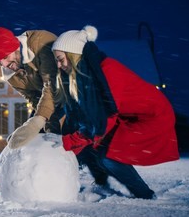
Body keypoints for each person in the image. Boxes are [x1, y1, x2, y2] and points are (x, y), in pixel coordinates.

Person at [50, 25, 179, 199]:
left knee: (110, 156)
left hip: (152, 117)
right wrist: (62, 136)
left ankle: (145, 194)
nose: (58, 65)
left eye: (60, 59)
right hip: (127, 116)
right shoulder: (86, 75)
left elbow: (102, 120)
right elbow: (81, 114)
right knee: (92, 147)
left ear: (74, 55)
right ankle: (102, 184)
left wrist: (69, 142)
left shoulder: (107, 71)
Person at [0, 27, 63, 149]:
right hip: (48, 98)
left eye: (5, 58)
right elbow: (34, 97)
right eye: (0, 62)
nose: (5, 65)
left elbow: (53, 84)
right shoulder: (11, 75)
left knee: (75, 134)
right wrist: (45, 126)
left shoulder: (41, 43)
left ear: (14, 47)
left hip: (71, 90)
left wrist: (38, 121)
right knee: (37, 137)